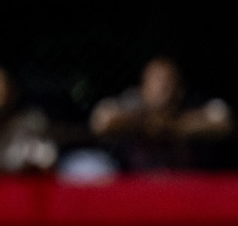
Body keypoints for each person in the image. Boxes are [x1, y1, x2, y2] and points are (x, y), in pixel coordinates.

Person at [89, 56, 230, 171]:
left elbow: (222, 120)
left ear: (179, 88)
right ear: (143, 86)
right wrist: (144, 124)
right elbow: (101, 121)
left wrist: (172, 127)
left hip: (187, 185)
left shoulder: (191, 104)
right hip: (135, 186)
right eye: (156, 80)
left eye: (168, 81)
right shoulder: (133, 104)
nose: (162, 87)